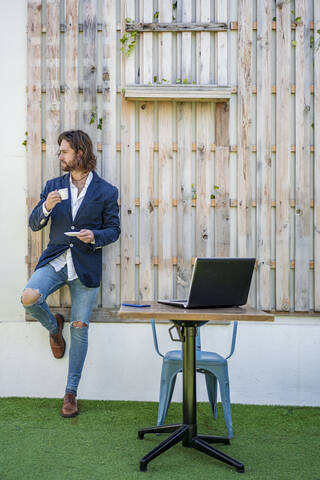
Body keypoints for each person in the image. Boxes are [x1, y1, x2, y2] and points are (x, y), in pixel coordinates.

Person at [21, 130, 120, 417]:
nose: (60, 156)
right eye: (59, 151)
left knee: (80, 329)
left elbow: (114, 230)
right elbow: (34, 224)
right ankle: (54, 328)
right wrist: (46, 207)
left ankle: (70, 393)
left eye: (64, 151)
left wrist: (95, 236)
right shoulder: (53, 186)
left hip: (86, 266)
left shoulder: (106, 191)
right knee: (29, 297)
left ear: (79, 153)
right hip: (56, 260)